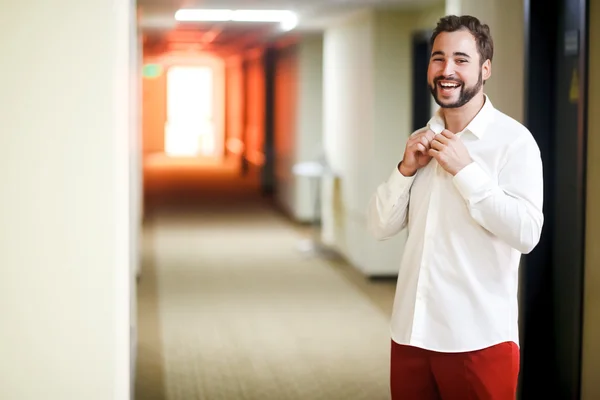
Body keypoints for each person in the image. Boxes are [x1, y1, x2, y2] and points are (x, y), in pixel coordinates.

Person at [366, 15, 544, 399]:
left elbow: (527, 234)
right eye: (438, 58)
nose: (448, 70)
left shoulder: (514, 142)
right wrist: (405, 170)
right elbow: (379, 227)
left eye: (461, 59)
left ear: (485, 69)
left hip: (477, 340)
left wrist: (467, 172)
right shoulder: (422, 139)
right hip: (412, 334)